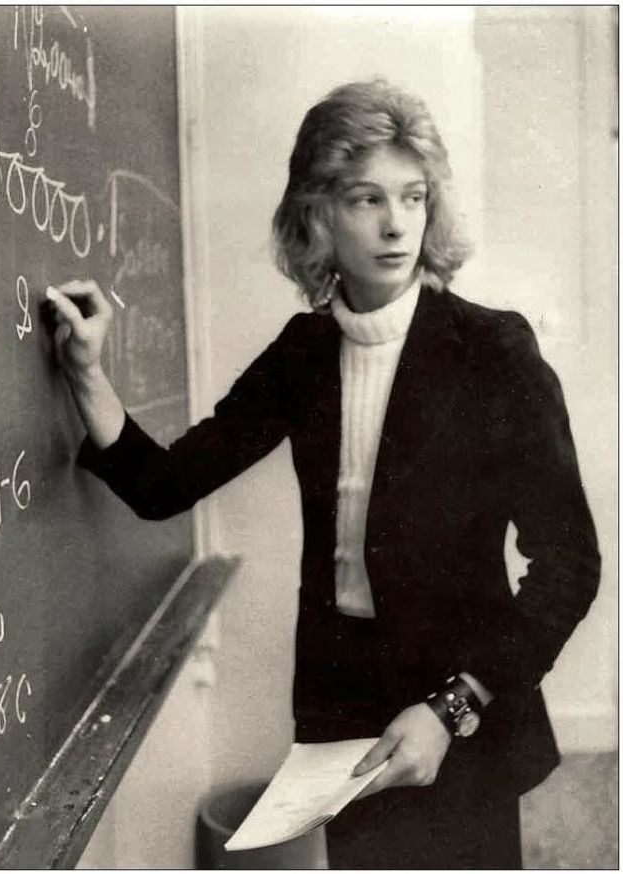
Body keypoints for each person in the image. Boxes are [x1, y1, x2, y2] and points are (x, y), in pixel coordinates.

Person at [46, 80, 600, 869]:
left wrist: (452, 706)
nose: (396, 223)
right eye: (367, 198)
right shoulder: (303, 353)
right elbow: (163, 485)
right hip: (344, 710)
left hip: (463, 704)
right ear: (318, 215)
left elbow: (571, 565)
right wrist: (86, 371)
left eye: (413, 196)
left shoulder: (493, 352)